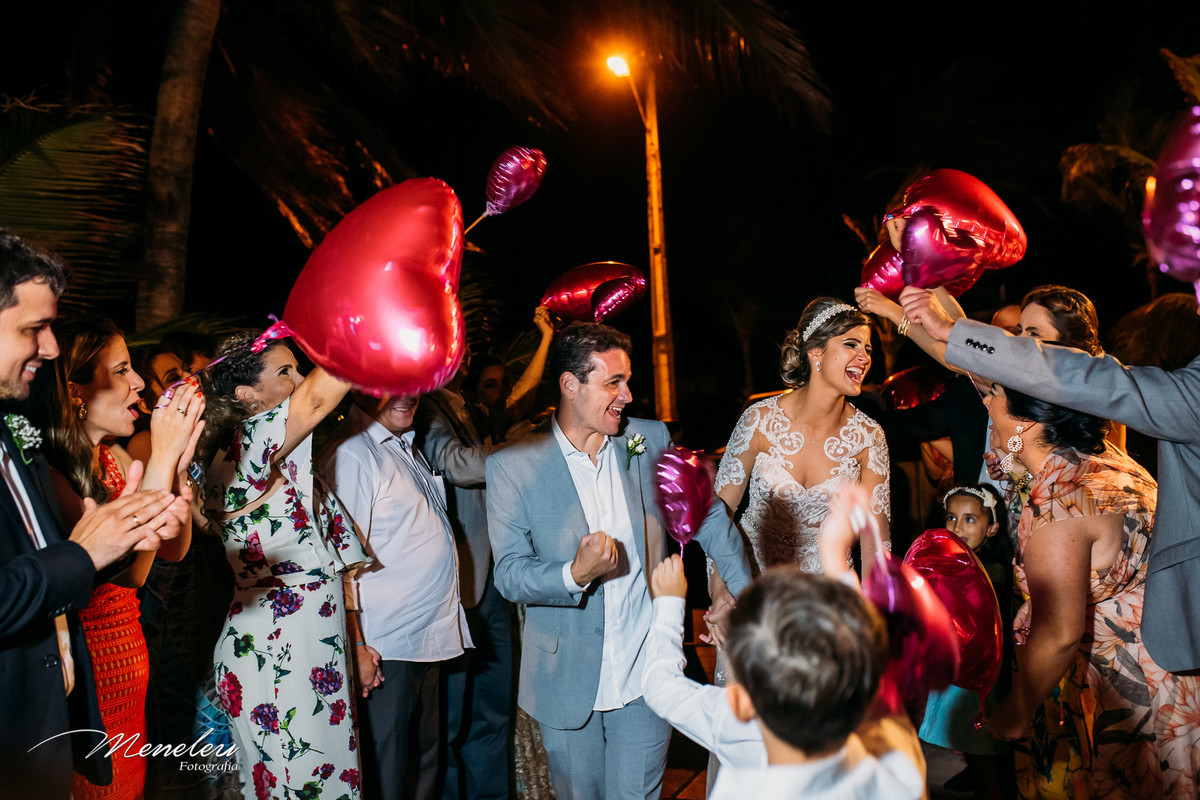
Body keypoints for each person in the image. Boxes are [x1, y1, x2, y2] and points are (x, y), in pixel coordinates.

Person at [485, 321, 752, 800]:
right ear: (571, 385)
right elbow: (508, 573)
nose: (628, 396)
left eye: (627, 381)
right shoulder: (511, 465)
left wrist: (738, 595)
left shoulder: (647, 440)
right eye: (614, 383)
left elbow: (710, 519)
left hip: (647, 670)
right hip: (564, 679)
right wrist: (573, 573)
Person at [900, 284, 1200, 675]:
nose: (1018, 343)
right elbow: (1004, 444)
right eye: (1016, 333)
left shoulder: (1081, 460)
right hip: (1055, 576)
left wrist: (908, 318)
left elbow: (1061, 630)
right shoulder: (1032, 422)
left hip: (1122, 638)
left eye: (1031, 334)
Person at [0, 230, 189, 799]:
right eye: (34, 329)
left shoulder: (15, 437)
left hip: (56, 722)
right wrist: (85, 553)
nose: (51, 349)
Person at [639, 482, 923, 799]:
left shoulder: (737, 719)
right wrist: (835, 558)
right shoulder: (875, 746)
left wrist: (668, 603)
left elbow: (659, 686)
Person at [38, 316, 204, 800]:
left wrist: (174, 465)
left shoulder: (111, 458)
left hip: (131, 671)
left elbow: (173, 548)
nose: (137, 384)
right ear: (74, 390)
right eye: (123, 369)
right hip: (87, 684)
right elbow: (129, 573)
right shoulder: (52, 477)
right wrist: (160, 457)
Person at [203, 332, 369, 800]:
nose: (298, 381)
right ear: (246, 396)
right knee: (298, 786)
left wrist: (355, 642)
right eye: (284, 372)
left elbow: (337, 568)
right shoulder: (245, 448)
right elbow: (319, 396)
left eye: (299, 370)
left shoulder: (290, 464)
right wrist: (364, 324)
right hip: (277, 649)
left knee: (328, 781)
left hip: (312, 643)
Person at [415, 306, 554, 800]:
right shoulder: (426, 406)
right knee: (453, 718)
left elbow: (521, 403)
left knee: (495, 708)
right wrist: (520, 448)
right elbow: (456, 465)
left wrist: (544, 340)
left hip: (495, 579)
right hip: (460, 584)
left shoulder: (466, 406)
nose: (459, 350)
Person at [322, 392, 472, 800]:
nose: (407, 395)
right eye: (391, 383)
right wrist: (356, 645)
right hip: (385, 646)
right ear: (359, 387)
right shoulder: (353, 453)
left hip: (426, 638)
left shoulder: (402, 443)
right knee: (388, 776)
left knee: (423, 769)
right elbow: (340, 563)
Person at [920, 484, 1012, 800]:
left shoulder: (992, 571)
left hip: (984, 679)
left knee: (985, 751)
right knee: (974, 747)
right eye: (951, 518)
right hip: (962, 671)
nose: (958, 528)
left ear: (993, 528)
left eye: (970, 519)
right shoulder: (953, 563)